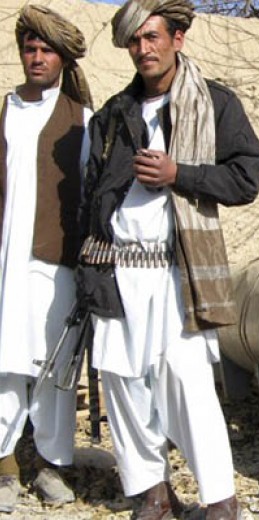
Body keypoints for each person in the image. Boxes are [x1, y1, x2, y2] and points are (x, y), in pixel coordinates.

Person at [79, 1, 259, 518]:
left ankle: (220, 501)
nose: (144, 49)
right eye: (135, 40)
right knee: (123, 384)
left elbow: (246, 178)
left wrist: (179, 174)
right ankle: (153, 496)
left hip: (178, 270)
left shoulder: (215, 103)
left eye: (153, 37)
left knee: (187, 384)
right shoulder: (114, 114)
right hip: (116, 268)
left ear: (177, 39)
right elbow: (91, 193)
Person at [0, 5, 93, 513]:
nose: (36, 58)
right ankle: (5, 467)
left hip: (57, 263)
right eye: (29, 49)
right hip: (6, 263)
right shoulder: (7, 111)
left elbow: (92, 197)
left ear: (62, 59)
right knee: (5, 365)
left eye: (46, 51)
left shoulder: (83, 120)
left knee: (54, 366)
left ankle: (50, 465)